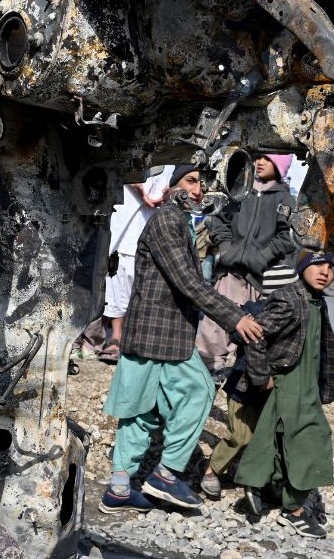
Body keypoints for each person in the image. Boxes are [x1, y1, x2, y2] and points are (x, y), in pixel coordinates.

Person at [100, 164, 264, 512]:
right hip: (162, 334)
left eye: (201, 185)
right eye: (191, 181)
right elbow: (188, 282)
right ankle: (166, 473)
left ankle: (118, 489)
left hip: (152, 332)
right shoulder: (167, 221)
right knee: (199, 391)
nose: (198, 191)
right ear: (170, 184)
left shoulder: (176, 221)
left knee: (140, 412)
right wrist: (235, 318)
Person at [229, 251, 334, 526]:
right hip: (289, 382)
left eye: (330, 266)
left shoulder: (316, 301)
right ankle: (295, 510)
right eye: (317, 265)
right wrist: (260, 376)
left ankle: (259, 484)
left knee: (278, 437)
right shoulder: (289, 298)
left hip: (307, 384)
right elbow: (254, 335)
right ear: (302, 268)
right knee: (313, 438)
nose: (324, 271)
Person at [197, 149, 298, 371]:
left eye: (267, 159)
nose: (259, 162)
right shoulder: (238, 189)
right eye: (257, 157)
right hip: (230, 274)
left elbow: (286, 237)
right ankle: (207, 373)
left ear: (280, 166)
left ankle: (243, 381)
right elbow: (218, 220)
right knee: (214, 328)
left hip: (259, 279)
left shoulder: (285, 199)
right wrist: (225, 249)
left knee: (253, 333)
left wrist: (262, 258)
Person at [100, 164, 176, 361]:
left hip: (155, 214)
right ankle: (116, 336)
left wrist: (168, 192)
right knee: (117, 271)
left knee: (145, 277)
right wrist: (139, 186)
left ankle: (136, 338)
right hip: (127, 210)